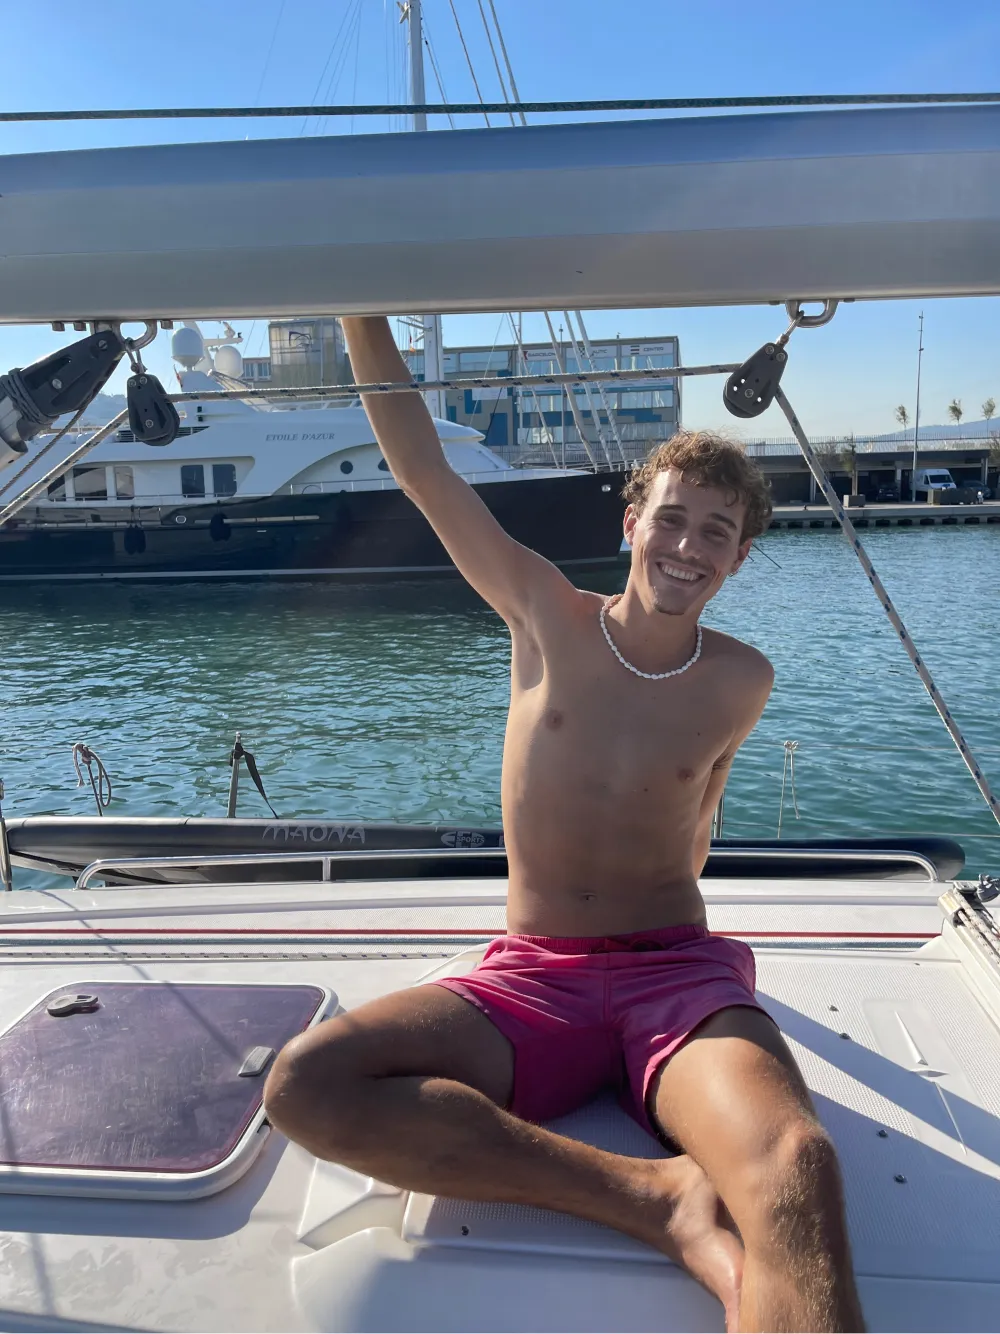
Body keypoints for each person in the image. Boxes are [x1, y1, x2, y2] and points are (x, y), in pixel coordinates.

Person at [264, 316, 864, 1333]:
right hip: (530, 975)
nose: (688, 546)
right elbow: (421, 466)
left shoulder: (741, 678)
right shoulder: (542, 611)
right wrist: (362, 314)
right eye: (672, 519)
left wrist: (727, 991)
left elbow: (698, 812)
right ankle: (651, 1197)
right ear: (631, 521)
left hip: (675, 971)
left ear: (740, 557)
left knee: (794, 1162)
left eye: (716, 531)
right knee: (308, 1081)